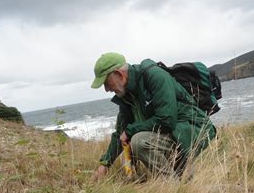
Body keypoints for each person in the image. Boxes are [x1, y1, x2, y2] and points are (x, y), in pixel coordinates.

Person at [91, 52, 216, 180]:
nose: (106, 89)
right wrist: (105, 164)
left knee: (139, 141)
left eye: (106, 82)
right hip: (172, 134)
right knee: (130, 145)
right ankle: (176, 183)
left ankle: (170, 187)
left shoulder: (155, 76)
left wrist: (130, 130)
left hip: (193, 130)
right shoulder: (126, 95)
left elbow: (167, 120)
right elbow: (120, 133)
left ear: (119, 74)